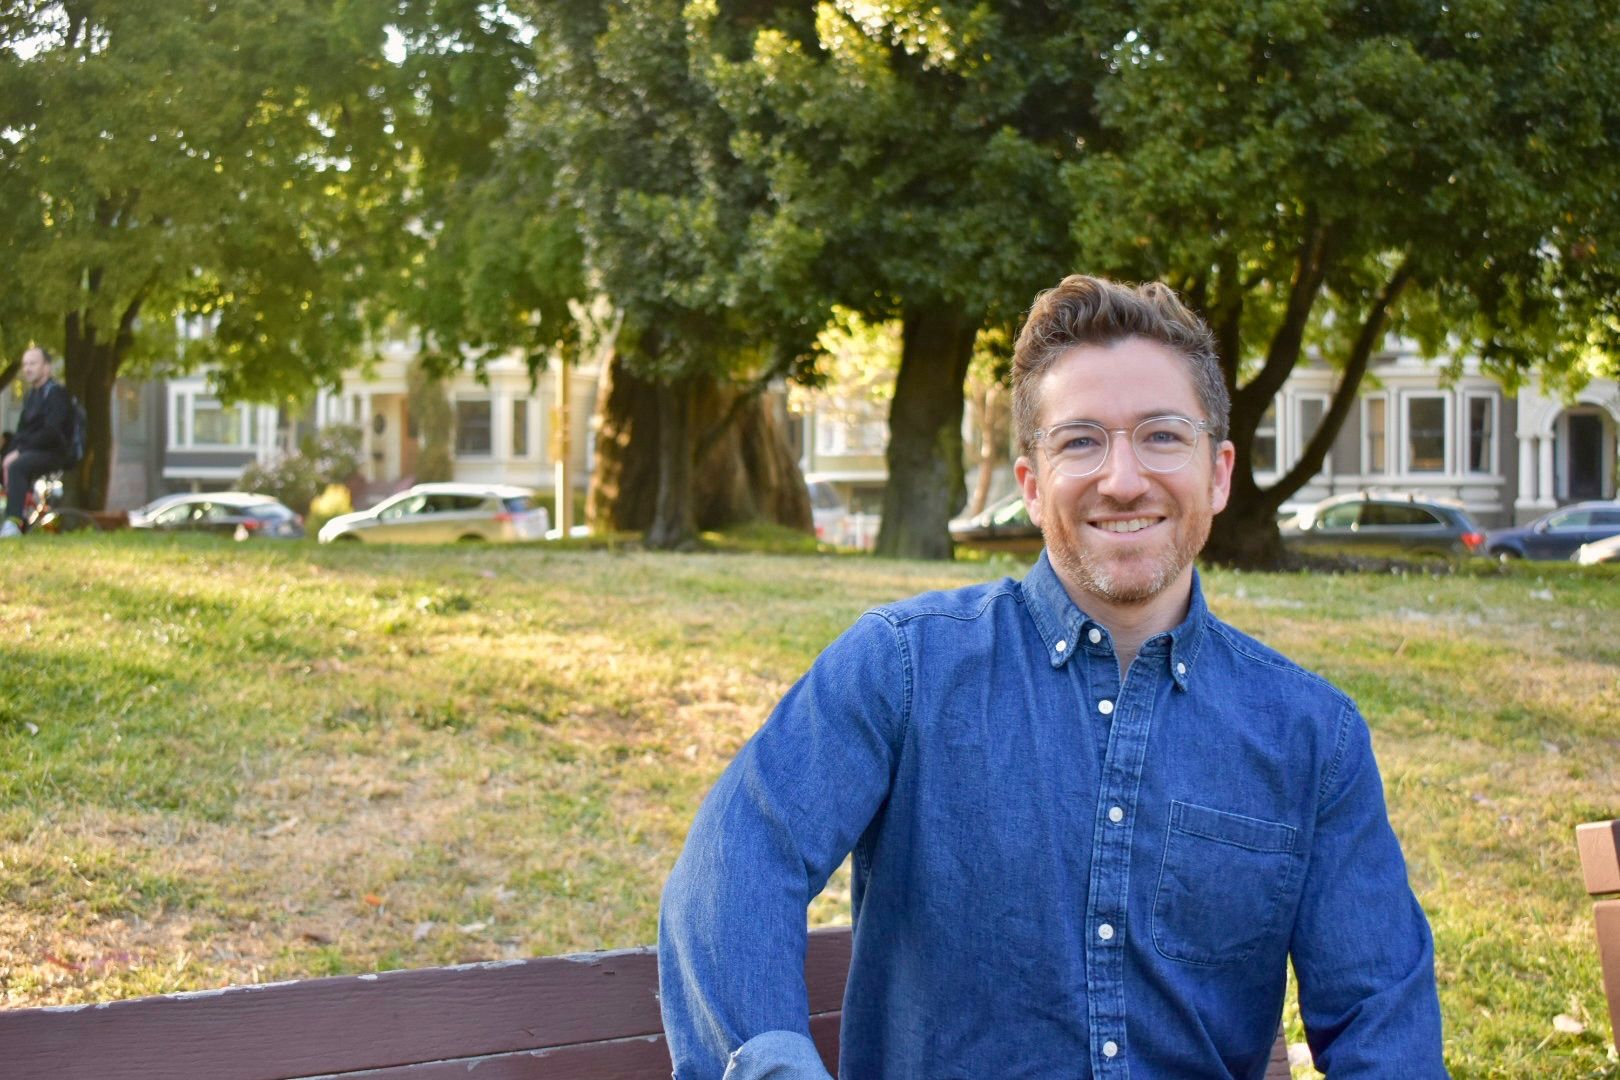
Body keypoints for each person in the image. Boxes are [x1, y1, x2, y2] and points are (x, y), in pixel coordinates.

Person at [658, 276, 1446, 1079]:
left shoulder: (1312, 737)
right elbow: (734, 870)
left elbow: (1385, 1024)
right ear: (1031, 485)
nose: (1124, 478)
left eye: (1163, 436)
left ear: (1219, 472)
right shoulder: (902, 669)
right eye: (1080, 442)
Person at [2, 347, 75, 538]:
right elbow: (21, 432)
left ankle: (13, 523)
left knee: (17, 466)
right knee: (10, 462)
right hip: (31, 452)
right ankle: (16, 515)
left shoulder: (56, 394)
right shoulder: (31, 396)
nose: (27, 368)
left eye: (33, 363)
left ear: (47, 368)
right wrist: (8, 455)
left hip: (54, 453)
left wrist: (18, 453)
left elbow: (51, 432)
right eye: (25, 364)